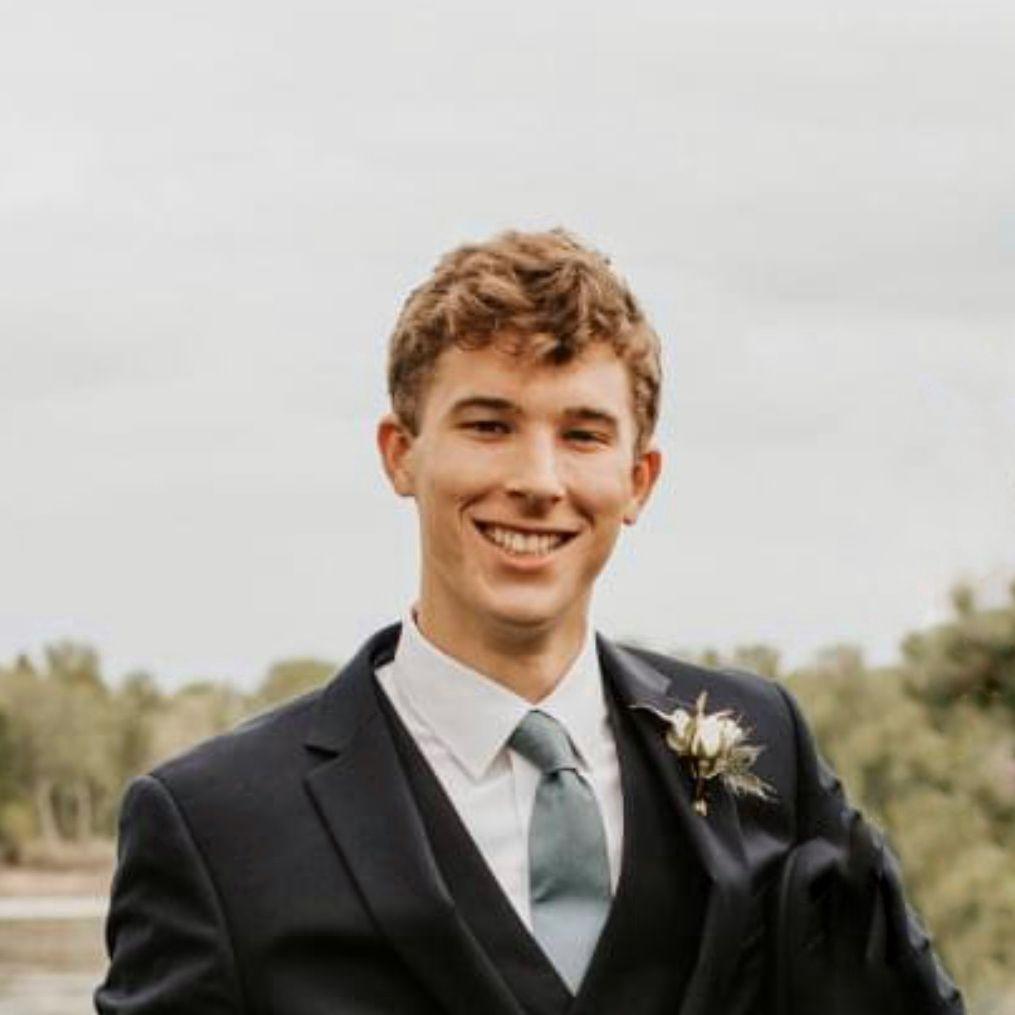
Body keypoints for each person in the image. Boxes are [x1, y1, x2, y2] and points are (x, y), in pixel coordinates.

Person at [95, 229, 963, 1014]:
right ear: (401, 454)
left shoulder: (765, 744)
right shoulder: (216, 826)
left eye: (582, 435)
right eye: (489, 425)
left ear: (638, 480)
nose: (537, 480)